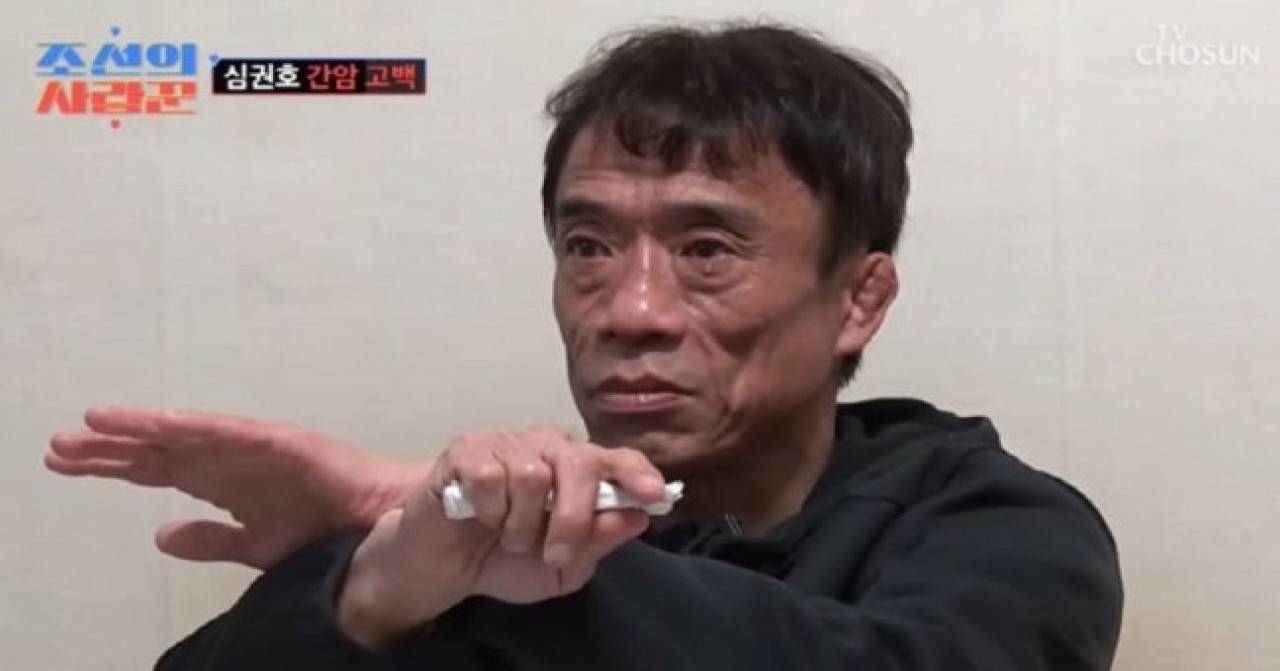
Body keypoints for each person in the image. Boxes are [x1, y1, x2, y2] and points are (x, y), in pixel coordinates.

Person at [45, 20, 1124, 670]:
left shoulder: (1000, 523)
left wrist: (504, 561)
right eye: (589, 246)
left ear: (858, 298)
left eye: (706, 249)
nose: (630, 308)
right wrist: (374, 591)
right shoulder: (469, 521)